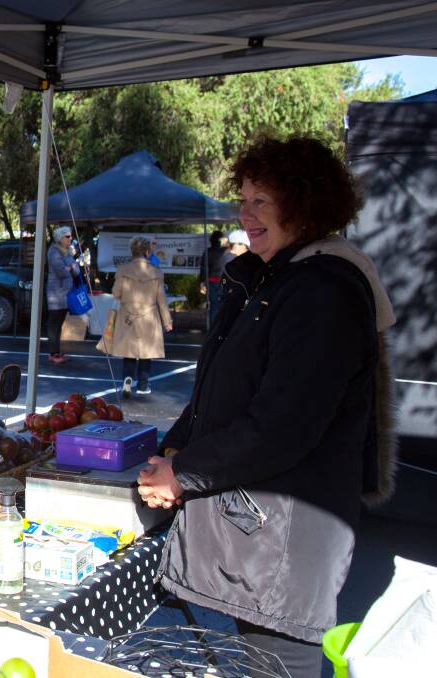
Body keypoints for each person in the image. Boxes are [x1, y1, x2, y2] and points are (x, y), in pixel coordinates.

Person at [138, 136, 396, 678]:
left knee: (282, 665)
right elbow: (219, 391)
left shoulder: (323, 291)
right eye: (244, 198)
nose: (246, 213)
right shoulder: (275, 277)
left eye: (262, 200)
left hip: (286, 545)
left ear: (304, 203)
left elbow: (282, 425)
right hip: (261, 533)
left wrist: (182, 474)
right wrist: (175, 448)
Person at [110, 236, 172, 396]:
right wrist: (167, 321)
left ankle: (127, 384)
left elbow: (116, 293)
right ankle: (143, 385)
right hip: (149, 316)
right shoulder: (156, 271)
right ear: (147, 251)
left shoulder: (123, 270)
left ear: (132, 251)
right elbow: (161, 299)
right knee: (146, 352)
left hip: (127, 316)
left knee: (129, 353)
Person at [45, 225, 79, 364]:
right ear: (60, 238)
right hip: (56, 293)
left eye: (71, 236)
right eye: (67, 236)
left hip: (66, 294)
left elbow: (76, 271)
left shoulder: (67, 252)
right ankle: (53, 353)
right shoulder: (53, 251)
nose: (70, 239)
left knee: (59, 324)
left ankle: (57, 351)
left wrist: (71, 267)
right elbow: (61, 271)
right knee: (53, 324)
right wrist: (71, 267)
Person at [199, 230, 229, 322]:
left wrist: (202, 282)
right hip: (224, 281)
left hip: (211, 281)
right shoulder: (226, 251)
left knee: (214, 305)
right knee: (223, 304)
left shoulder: (208, 251)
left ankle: (213, 328)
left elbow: (204, 268)